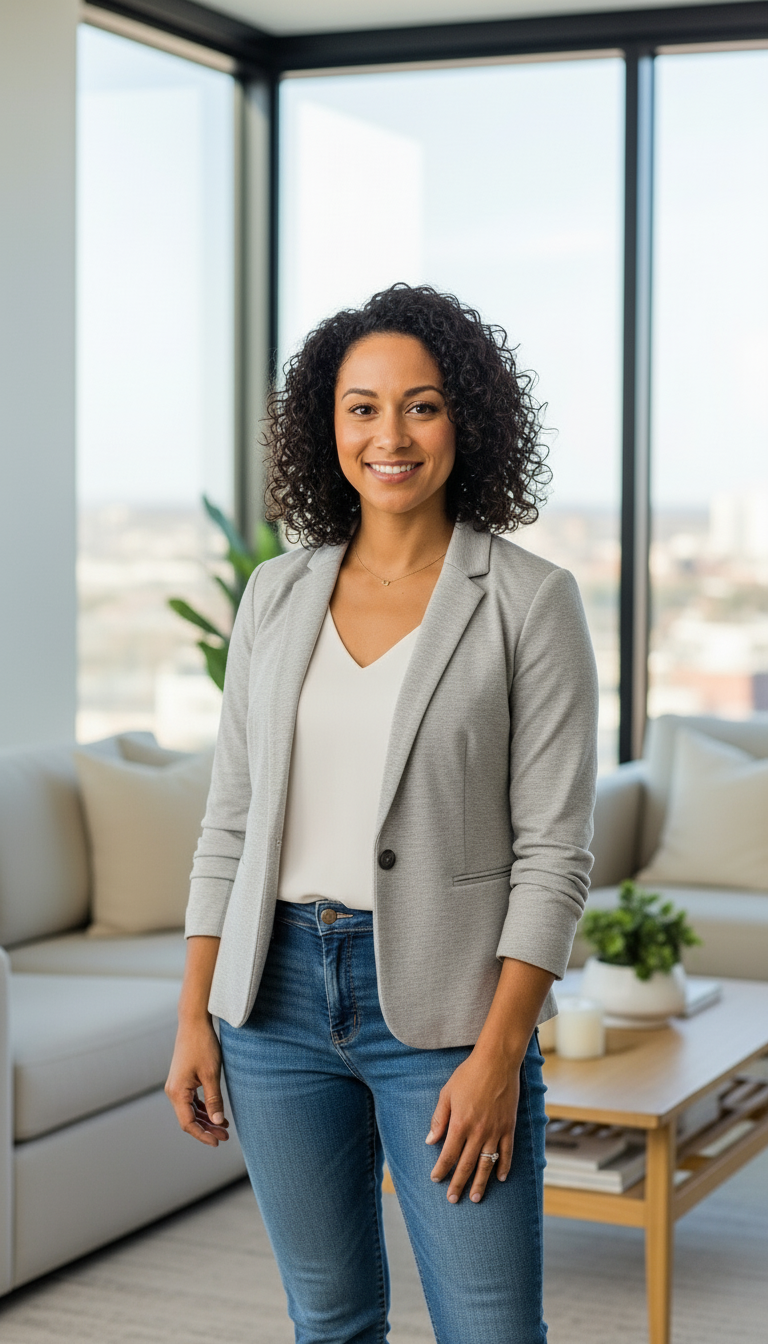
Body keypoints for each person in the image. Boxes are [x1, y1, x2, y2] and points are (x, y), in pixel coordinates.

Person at [165, 283, 598, 1343]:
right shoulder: (275, 594)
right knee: (331, 1321)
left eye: (423, 404)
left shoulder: (529, 602)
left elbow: (555, 855)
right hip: (271, 1008)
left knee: (491, 1329)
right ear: (330, 425)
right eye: (362, 407)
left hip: (448, 1017)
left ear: (470, 421)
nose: (390, 435)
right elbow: (231, 820)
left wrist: (499, 1057)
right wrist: (194, 1015)